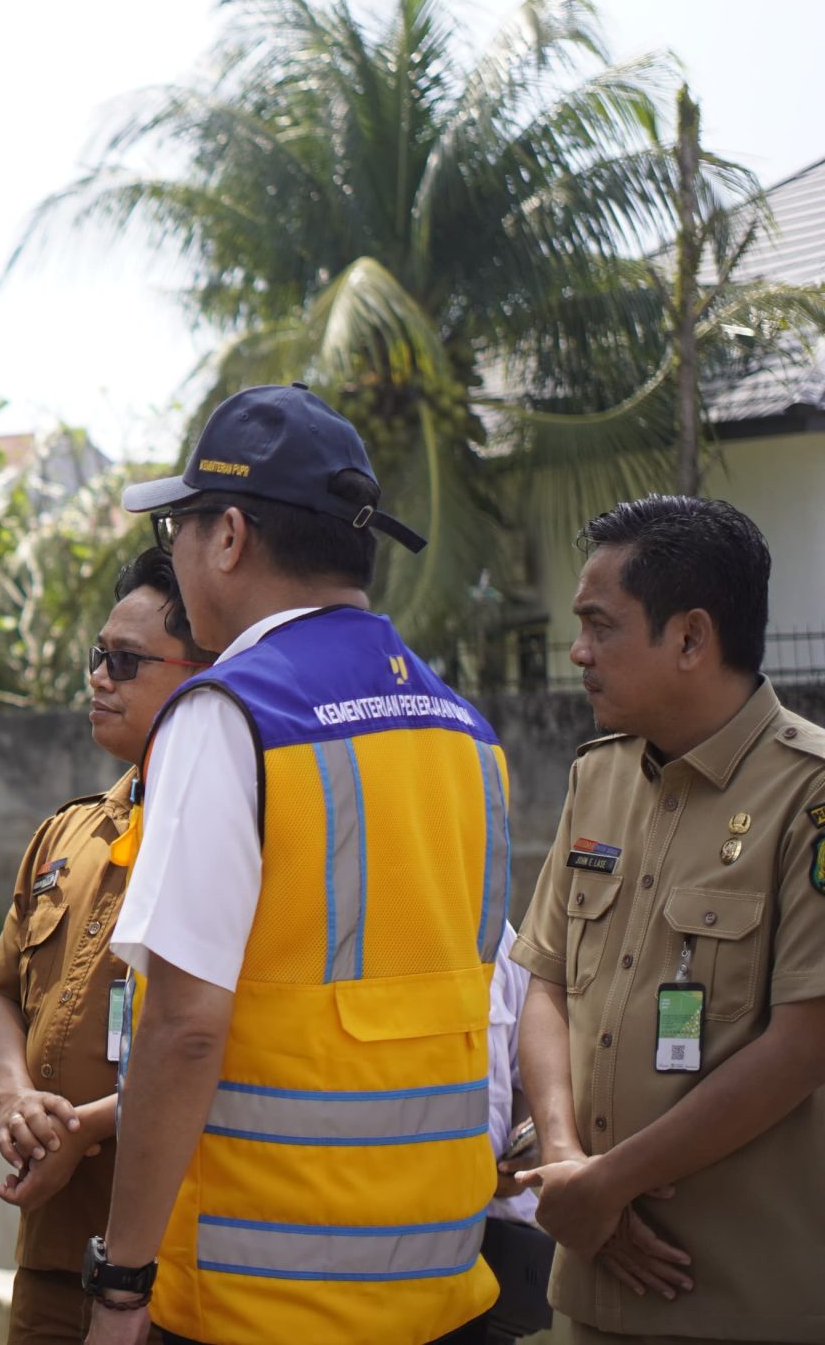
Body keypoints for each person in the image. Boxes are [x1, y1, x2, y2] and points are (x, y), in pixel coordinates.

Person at [87, 384, 513, 1345]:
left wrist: (120, 1286)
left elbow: (186, 1030)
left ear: (229, 536)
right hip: (442, 1287)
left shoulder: (228, 716)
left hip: (264, 1299)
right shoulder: (464, 729)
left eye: (182, 528)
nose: (179, 556)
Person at [509, 497, 825, 1345]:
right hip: (587, 1288)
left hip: (738, 1302)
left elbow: (802, 1044)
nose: (578, 653)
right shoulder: (598, 777)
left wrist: (609, 1185)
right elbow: (544, 977)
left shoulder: (809, 794)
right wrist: (570, 1164)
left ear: (690, 638)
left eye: (600, 626)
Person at [0, 550, 215, 1344]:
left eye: (126, 662)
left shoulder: (226, 839)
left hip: (171, 1269)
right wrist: (15, 1102)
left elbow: (221, 1041)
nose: (99, 678)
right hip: (51, 1253)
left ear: (202, 678)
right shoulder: (67, 832)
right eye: (98, 657)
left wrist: (87, 1127)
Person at [428, 919, 556, 1345]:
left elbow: (525, 1073)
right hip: (362, 1256)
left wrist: (522, 1148)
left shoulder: (492, 925)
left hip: (483, 1260)